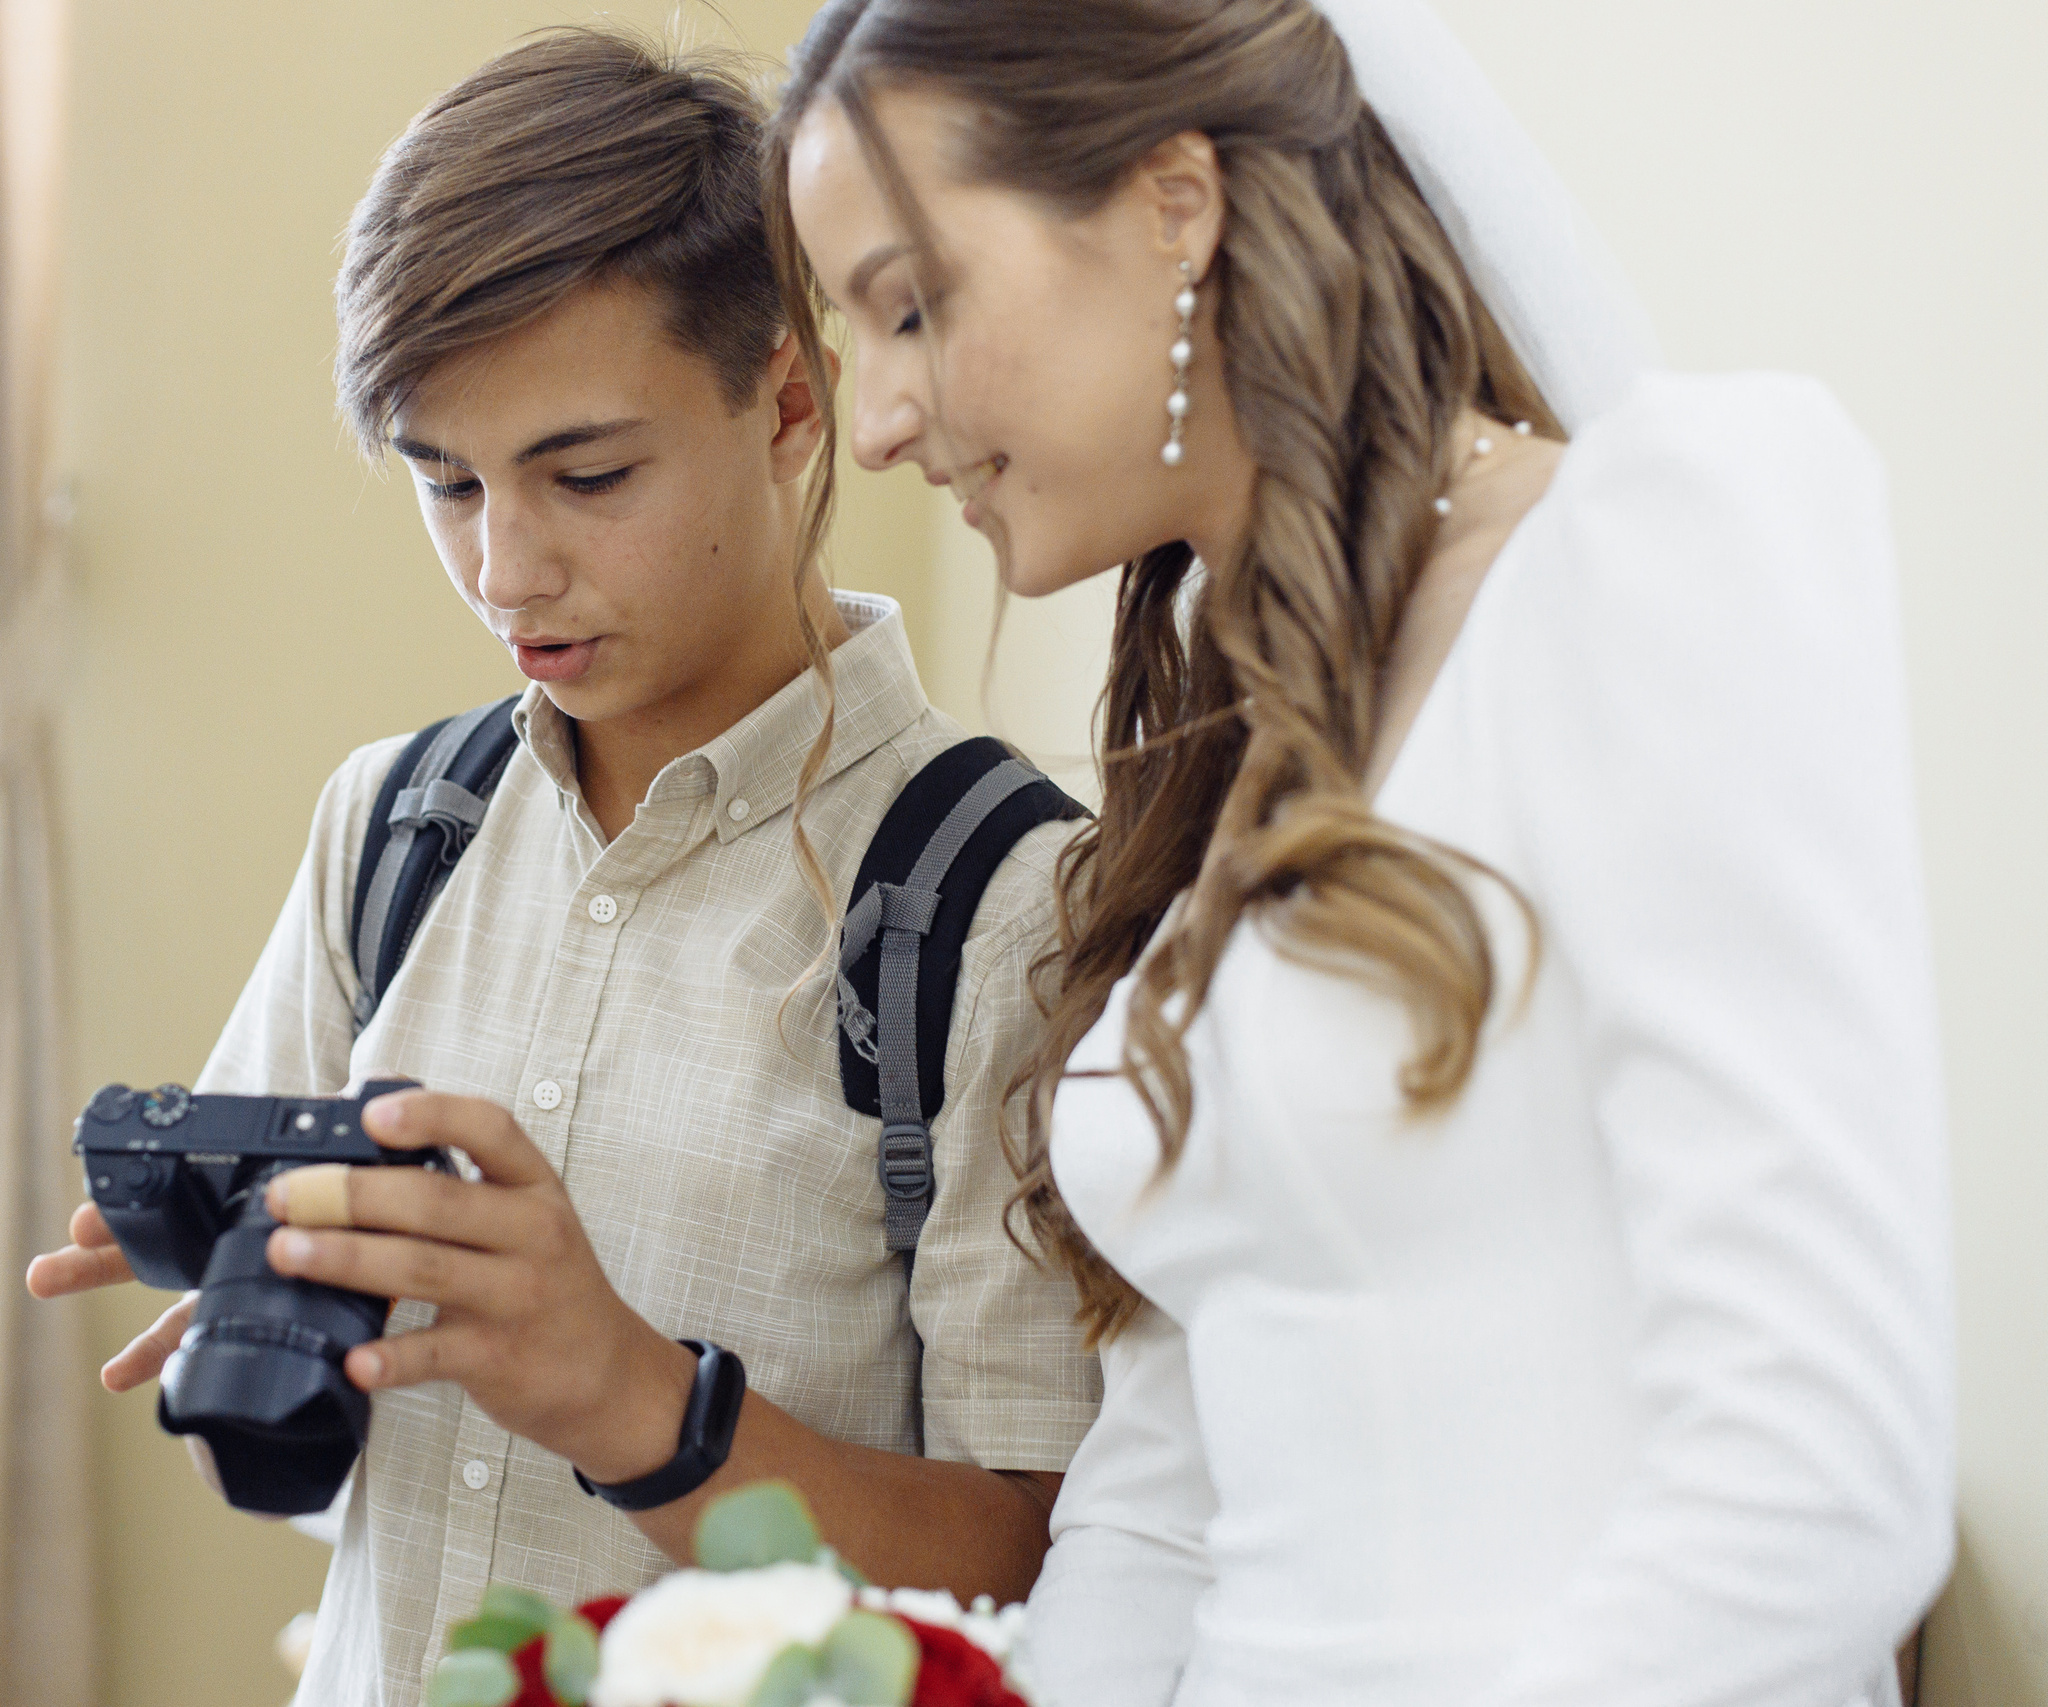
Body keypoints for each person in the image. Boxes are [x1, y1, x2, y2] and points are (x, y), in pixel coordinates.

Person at [774, 2, 1956, 1704]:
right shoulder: (1240, 741)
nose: (878, 419)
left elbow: (1818, 1474)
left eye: (912, 306)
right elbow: (1160, 1510)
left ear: (1175, 204)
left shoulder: (1652, 543)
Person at [26, 28, 1097, 1707]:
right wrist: (262, 1307)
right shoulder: (393, 824)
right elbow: (332, 1468)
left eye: (587, 476)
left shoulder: (1008, 902)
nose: (505, 570)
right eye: (445, 482)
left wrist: (633, 1400)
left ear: (790, 403)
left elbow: (1039, 1570)